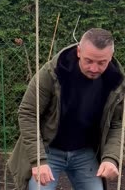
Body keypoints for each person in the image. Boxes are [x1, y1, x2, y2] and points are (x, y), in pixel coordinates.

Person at [7, 28, 125, 190]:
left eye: (101, 63)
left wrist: (111, 158)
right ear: (78, 52)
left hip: (85, 152)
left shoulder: (116, 82)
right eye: (88, 60)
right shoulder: (52, 73)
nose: (94, 68)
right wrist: (38, 160)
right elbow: (28, 113)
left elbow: (117, 123)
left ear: (110, 57)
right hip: (49, 150)